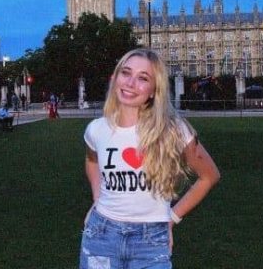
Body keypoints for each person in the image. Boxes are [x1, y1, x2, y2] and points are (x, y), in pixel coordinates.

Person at [79, 48, 220, 269]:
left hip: (151, 241)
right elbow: (92, 161)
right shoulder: (96, 130)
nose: (130, 83)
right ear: (115, 77)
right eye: (126, 73)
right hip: (101, 235)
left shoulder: (173, 130)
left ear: (155, 90)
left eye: (143, 78)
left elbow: (209, 176)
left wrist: (172, 218)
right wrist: (98, 198)